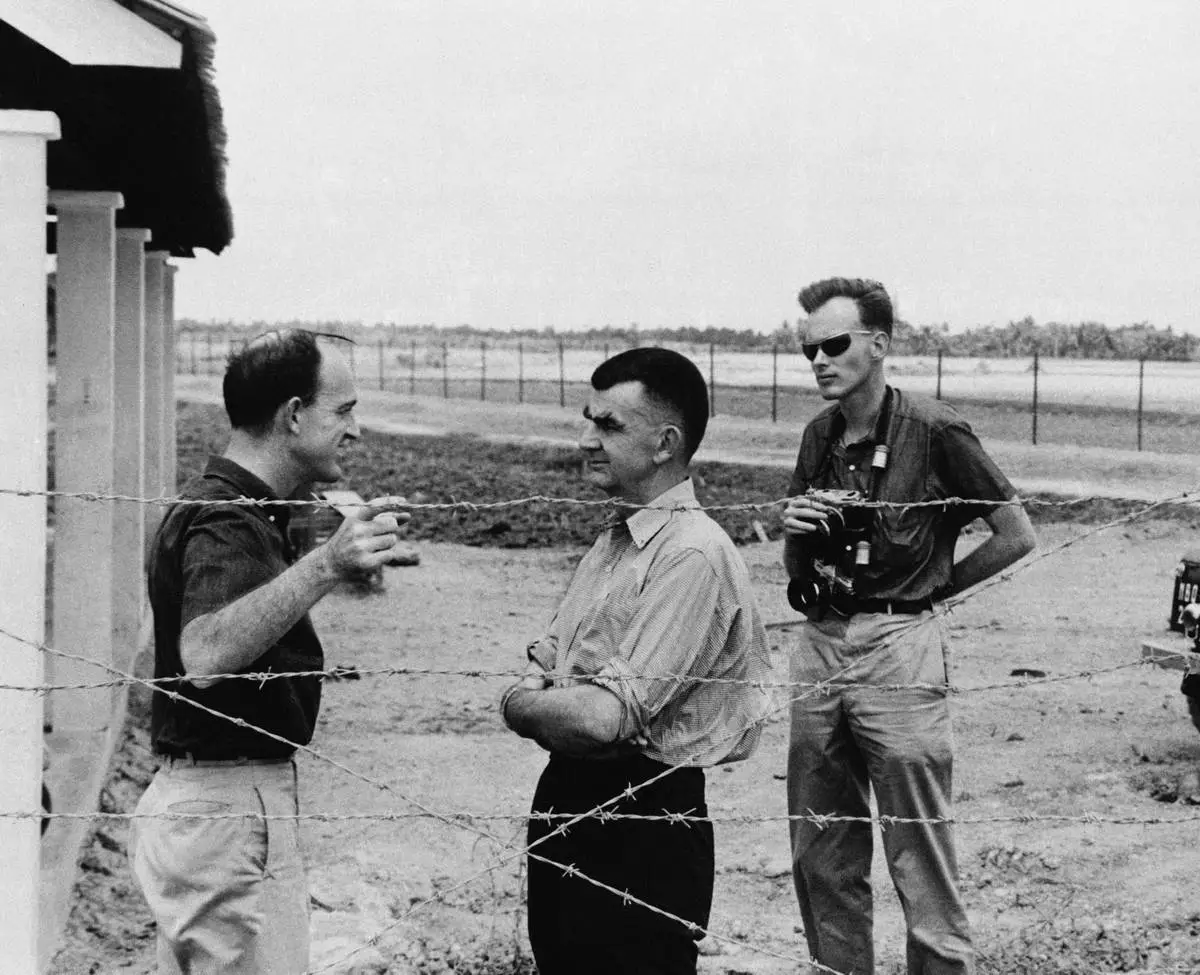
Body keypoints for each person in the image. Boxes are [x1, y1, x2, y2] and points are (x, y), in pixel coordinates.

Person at [130, 329, 410, 974]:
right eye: (342, 410)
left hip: (207, 804)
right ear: (292, 415)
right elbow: (203, 653)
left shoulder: (242, 507)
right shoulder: (229, 517)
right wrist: (327, 564)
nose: (356, 430)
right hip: (228, 804)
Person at [781, 278, 1036, 975]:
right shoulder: (819, 436)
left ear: (880, 344)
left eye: (835, 344)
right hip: (821, 641)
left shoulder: (933, 429)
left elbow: (1015, 533)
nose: (820, 361)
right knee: (821, 849)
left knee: (917, 851)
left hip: (899, 647)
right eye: (809, 350)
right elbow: (798, 572)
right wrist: (796, 529)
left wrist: (933, 589)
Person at [501, 347, 773, 975]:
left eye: (609, 426)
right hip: (570, 801)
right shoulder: (614, 541)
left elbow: (601, 719)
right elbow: (550, 664)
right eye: (588, 420)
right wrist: (546, 702)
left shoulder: (691, 555)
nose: (586, 441)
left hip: (642, 816)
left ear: (664, 444)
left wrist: (519, 707)